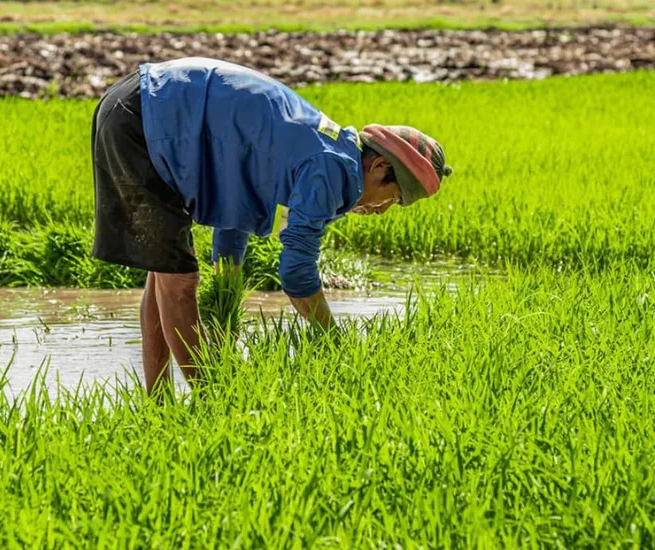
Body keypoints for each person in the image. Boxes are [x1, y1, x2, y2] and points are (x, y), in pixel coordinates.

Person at [91, 57, 452, 393]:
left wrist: (228, 279)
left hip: (143, 105)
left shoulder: (326, 148)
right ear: (377, 168)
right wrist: (333, 340)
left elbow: (236, 196)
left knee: (165, 272)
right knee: (179, 281)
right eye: (391, 199)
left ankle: (158, 404)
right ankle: (214, 402)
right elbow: (296, 272)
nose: (381, 210)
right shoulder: (328, 168)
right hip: (145, 120)